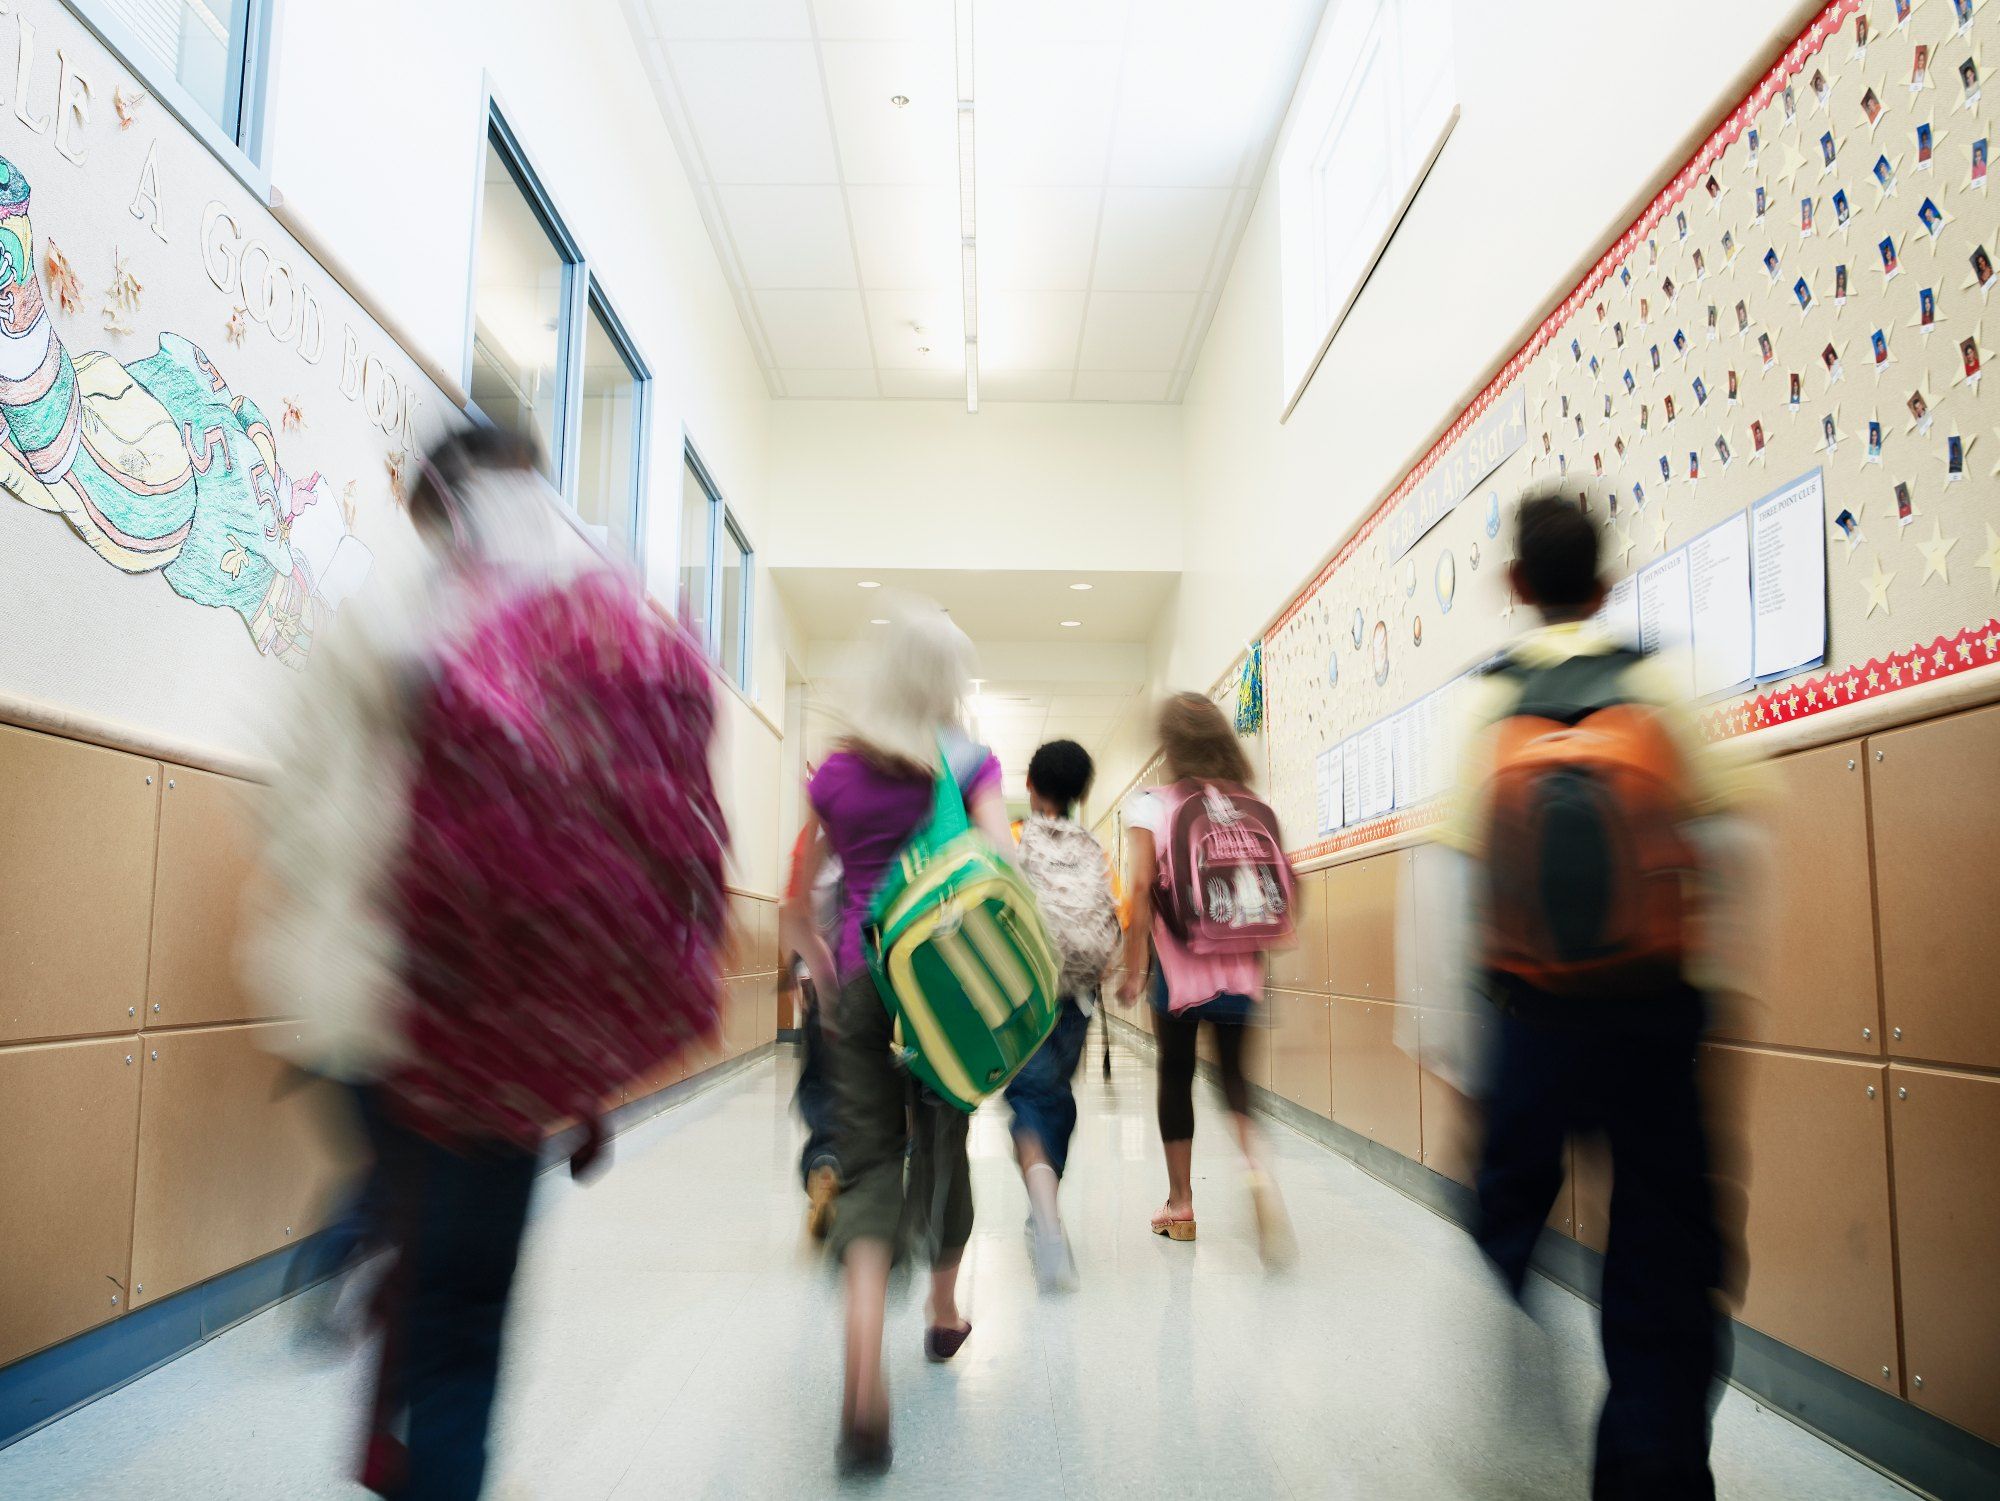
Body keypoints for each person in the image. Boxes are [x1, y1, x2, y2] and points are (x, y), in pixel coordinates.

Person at [1445, 490, 1747, 1501]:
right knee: (1663, 1252)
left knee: (1499, 1217)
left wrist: (1457, 1061)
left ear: (1516, 586)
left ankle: (1517, 1375)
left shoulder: (1485, 706)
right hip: (1655, 1019)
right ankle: (1649, 1465)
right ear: (1607, 583)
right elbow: (1732, 850)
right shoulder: (1662, 685)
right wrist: (1716, 1006)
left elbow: (1447, 892)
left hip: (1526, 1022)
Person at [782, 602, 1013, 1477]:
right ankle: (945, 1311)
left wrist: (829, 970)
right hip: (945, 996)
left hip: (862, 987)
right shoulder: (969, 761)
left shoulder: (835, 774)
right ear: (950, 683)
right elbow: (1000, 869)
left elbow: (794, 905)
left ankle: (861, 1381)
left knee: (870, 1162)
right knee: (947, 1144)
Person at [1118, 693, 1293, 1263]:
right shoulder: (1249, 801)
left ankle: (1181, 1204)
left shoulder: (1150, 804)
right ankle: (1257, 1169)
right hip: (1243, 965)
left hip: (1179, 970)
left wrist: (1132, 964)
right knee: (1237, 1081)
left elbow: (1141, 889)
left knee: (1176, 1076)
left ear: (1169, 746)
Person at [1006, 739, 1120, 1292]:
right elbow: (1110, 917)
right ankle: (1044, 1208)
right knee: (1056, 1099)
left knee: (1028, 1097)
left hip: (1025, 995)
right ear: (1081, 795)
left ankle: (1046, 1217)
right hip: (1078, 995)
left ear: (1030, 784)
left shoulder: (1016, 843)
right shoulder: (1095, 848)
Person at [781, 803, 844, 1240]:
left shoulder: (814, 836)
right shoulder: (902, 821)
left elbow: (799, 911)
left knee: (823, 1083)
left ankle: (824, 1166)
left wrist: (805, 975)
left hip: (829, 989)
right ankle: (891, 1174)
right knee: (888, 1091)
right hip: (889, 990)